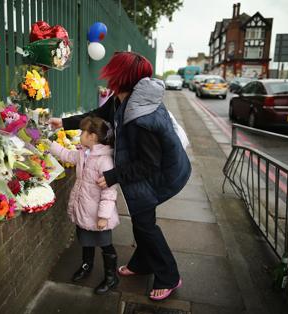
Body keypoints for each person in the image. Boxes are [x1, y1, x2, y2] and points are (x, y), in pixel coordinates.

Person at [49, 51, 191, 301]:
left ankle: (169, 276)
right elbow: (96, 115)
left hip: (162, 175)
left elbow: (149, 164)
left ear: (122, 77)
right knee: (141, 220)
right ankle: (143, 263)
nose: (107, 74)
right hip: (145, 171)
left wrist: (114, 175)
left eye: (112, 71)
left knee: (146, 226)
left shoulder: (142, 117)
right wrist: (63, 122)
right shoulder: (122, 98)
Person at [49, 116, 120, 294]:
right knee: (86, 240)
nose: (80, 134)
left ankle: (111, 277)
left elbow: (109, 191)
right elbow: (68, 155)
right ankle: (86, 266)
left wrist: (103, 216)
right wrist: (50, 146)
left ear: (93, 136)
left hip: (98, 213)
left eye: (83, 132)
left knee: (105, 244)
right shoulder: (83, 153)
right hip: (84, 208)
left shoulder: (104, 160)